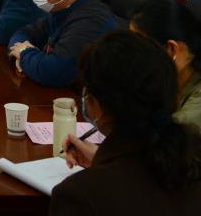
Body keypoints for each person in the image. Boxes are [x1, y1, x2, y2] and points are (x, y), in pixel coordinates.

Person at [54, 31, 201, 215]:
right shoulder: (190, 167)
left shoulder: (79, 195)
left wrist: (108, 164)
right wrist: (104, 159)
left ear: (97, 106)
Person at [8, 0, 118, 88]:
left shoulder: (91, 22)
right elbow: (23, 33)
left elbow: (52, 72)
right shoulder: (63, 8)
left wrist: (24, 54)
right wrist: (25, 55)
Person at [130, 0, 201, 128]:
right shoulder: (167, 79)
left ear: (172, 49)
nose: (133, 55)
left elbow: (171, 136)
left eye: (139, 48)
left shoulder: (195, 110)